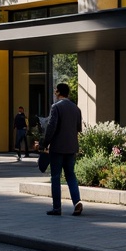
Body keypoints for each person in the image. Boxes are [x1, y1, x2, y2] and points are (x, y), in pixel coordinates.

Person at [38, 83, 83, 216]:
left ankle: (57, 207)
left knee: (56, 177)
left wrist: (45, 143)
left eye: (55, 91)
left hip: (57, 148)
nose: (54, 93)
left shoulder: (56, 107)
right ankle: (77, 202)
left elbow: (51, 127)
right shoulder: (76, 109)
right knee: (71, 175)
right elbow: (78, 128)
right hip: (71, 148)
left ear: (58, 92)